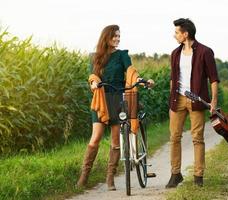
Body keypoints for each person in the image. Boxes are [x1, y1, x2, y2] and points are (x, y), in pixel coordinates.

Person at [77, 24, 154, 191]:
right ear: (106, 37)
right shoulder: (94, 57)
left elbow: (131, 71)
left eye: (119, 36)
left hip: (118, 99)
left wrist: (141, 80)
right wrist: (95, 82)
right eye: (114, 36)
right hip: (101, 100)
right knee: (96, 137)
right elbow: (92, 75)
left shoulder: (122, 55)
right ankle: (83, 177)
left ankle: (110, 178)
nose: (117, 39)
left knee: (115, 140)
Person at [166, 18, 220, 188]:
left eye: (177, 32)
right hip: (178, 100)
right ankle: (175, 174)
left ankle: (198, 176)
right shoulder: (175, 54)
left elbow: (213, 79)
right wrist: (171, 102)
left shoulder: (205, 52)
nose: (174, 35)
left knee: (197, 138)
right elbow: (172, 79)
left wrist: (213, 101)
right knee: (174, 137)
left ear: (185, 34)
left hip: (196, 100)